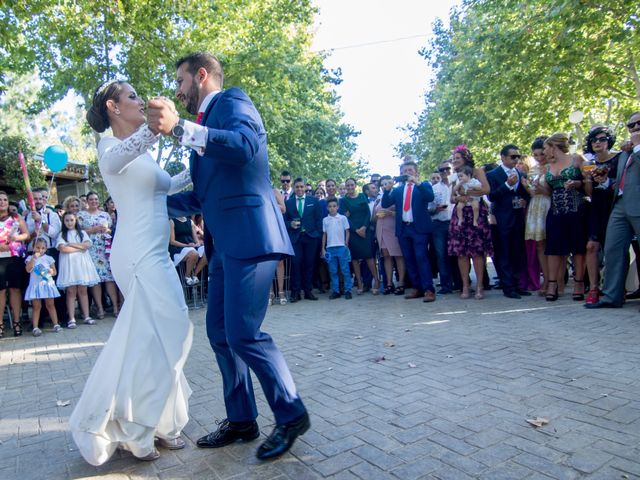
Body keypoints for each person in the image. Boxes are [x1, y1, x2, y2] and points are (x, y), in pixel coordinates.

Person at [150, 52, 309, 459]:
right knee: (219, 334)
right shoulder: (202, 129)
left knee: (244, 334)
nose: (177, 91)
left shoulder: (232, 101)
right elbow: (202, 196)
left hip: (251, 237)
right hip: (222, 246)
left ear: (201, 76)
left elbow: (243, 146)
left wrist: (181, 129)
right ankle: (242, 419)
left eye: (181, 82)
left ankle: (290, 415)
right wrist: (147, 202)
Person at [69, 80, 193, 465]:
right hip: (136, 255)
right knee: (172, 330)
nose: (141, 101)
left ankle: (157, 424)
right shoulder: (109, 149)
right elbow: (123, 153)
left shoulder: (145, 156)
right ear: (113, 106)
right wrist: (155, 128)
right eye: (133, 97)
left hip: (156, 253)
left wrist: (200, 166)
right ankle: (139, 429)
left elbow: (167, 186)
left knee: (157, 338)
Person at [586, 112, 640, 309]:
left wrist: (637, 147)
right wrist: (606, 182)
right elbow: (621, 178)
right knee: (612, 249)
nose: (634, 128)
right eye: (630, 125)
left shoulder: (634, 148)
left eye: (638, 124)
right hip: (619, 204)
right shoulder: (626, 151)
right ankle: (611, 296)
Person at [542, 133, 590, 301]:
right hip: (556, 210)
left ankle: (579, 283)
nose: (544, 152)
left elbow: (589, 182)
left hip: (576, 208)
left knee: (578, 247)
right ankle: (553, 284)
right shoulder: (548, 166)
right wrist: (539, 187)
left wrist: (577, 183)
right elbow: (548, 191)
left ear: (553, 147)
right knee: (553, 248)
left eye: (546, 148)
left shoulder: (576, 159)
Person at [381, 160, 437, 302]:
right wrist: (387, 189)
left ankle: (429, 289)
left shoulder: (423, 185)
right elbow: (385, 204)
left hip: (419, 229)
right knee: (409, 259)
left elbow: (430, 197)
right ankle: (416, 288)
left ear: (416, 172)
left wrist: (416, 182)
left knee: (421, 257)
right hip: (403, 229)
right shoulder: (398, 190)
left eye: (410, 170)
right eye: (404, 171)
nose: (407, 173)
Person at [487, 144, 531, 299]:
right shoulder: (493, 174)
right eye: (513, 156)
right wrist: (507, 185)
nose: (516, 159)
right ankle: (508, 286)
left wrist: (525, 199)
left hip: (518, 216)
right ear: (503, 157)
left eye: (518, 156)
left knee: (518, 251)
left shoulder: (520, 173)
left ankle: (518, 284)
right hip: (501, 218)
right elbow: (491, 196)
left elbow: (526, 193)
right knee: (504, 252)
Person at [448, 145, 492, 299]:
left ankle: (480, 286)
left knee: (478, 252)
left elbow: (486, 189)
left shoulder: (477, 171)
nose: (455, 161)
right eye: (453, 159)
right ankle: (465, 286)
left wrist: (469, 192)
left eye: (457, 158)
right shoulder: (455, 176)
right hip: (460, 215)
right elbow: (452, 198)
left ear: (466, 158)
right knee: (461, 253)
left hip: (476, 213)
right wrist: (459, 197)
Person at [583, 125, 620, 305]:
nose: (598, 142)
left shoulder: (620, 158)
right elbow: (590, 193)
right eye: (594, 140)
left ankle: (615, 288)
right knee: (591, 246)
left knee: (613, 249)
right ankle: (593, 288)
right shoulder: (589, 164)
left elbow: (622, 185)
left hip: (616, 208)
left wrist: (607, 181)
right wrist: (588, 179)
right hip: (596, 209)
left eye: (602, 139)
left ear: (609, 141)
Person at [77, 192, 120, 318]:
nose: (94, 201)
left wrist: (106, 230)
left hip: (105, 249)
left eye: (96, 199)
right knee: (96, 281)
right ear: (87, 201)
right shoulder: (81, 215)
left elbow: (112, 229)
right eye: (91, 199)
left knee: (109, 279)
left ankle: (115, 307)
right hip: (91, 250)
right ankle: (100, 308)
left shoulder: (105, 214)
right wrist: (92, 230)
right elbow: (78, 231)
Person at [56, 212, 100, 328]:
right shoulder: (62, 234)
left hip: (81, 265)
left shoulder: (82, 233)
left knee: (83, 291)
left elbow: (86, 246)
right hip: (69, 265)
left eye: (71, 220)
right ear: (63, 222)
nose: (69, 222)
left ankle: (86, 316)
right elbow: (63, 249)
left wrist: (71, 244)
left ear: (75, 220)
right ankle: (71, 318)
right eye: (67, 220)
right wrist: (79, 247)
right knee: (71, 292)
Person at [284, 177, 323, 302]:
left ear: (305, 187)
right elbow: (284, 221)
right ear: (294, 188)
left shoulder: (313, 201)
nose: (299, 189)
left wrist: (317, 233)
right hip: (296, 238)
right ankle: (295, 292)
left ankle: (307, 291)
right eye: (297, 187)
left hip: (311, 237)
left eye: (302, 186)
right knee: (296, 265)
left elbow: (319, 219)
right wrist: (290, 224)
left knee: (309, 264)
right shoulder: (288, 203)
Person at [340, 178, 380, 295]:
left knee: (369, 257)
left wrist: (364, 227)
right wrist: (356, 230)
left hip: (365, 230)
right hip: (353, 232)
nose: (350, 187)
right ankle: (360, 283)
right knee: (355, 259)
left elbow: (367, 213)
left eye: (352, 185)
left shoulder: (363, 196)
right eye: (348, 185)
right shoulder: (344, 200)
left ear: (355, 185)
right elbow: (346, 217)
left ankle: (376, 281)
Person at [523, 136, 551, 295]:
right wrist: (527, 187)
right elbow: (533, 192)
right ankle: (545, 279)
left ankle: (554, 280)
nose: (539, 158)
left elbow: (550, 191)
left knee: (551, 244)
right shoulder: (532, 170)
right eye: (536, 155)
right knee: (539, 244)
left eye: (542, 154)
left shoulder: (553, 167)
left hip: (549, 205)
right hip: (535, 206)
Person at [0, 191, 30, 338]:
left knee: (15, 290)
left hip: (14, 257)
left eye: (5, 199)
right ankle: (0, 324)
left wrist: (15, 237)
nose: (2, 202)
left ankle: (17, 322)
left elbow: (26, 234)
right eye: (0, 200)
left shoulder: (16, 218)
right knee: (0, 291)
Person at [373, 176, 406, 294]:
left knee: (398, 255)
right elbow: (374, 216)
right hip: (381, 229)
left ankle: (401, 283)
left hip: (393, 228)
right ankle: (388, 283)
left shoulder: (397, 194)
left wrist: (390, 213)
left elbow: (403, 212)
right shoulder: (379, 199)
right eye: (382, 184)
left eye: (386, 183)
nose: (384, 186)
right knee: (386, 256)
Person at [25, 237, 61, 336]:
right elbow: (28, 269)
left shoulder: (49, 258)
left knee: (50, 305)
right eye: (37, 247)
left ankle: (56, 324)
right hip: (35, 285)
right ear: (33, 248)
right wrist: (33, 259)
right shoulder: (29, 258)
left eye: (43, 248)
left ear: (46, 248)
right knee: (36, 306)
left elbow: (54, 272)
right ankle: (35, 327)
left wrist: (50, 271)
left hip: (47, 284)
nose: (40, 250)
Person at [321, 198, 353, 299]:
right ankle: (336, 290)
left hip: (341, 247)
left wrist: (346, 243)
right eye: (330, 206)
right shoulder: (325, 220)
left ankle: (348, 290)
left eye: (334, 206)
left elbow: (347, 231)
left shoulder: (342, 218)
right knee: (333, 271)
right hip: (330, 248)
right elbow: (324, 234)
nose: (332, 208)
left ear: (338, 207)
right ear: (327, 208)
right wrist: (323, 248)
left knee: (345, 270)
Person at [169, 216, 206, 285]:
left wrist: (197, 244)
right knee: (194, 254)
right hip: (179, 248)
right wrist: (186, 245)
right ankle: (187, 276)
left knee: (207, 251)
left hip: (191, 246)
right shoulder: (172, 221)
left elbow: (195, 239)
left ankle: (195, 274)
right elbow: (172, 241)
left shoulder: (190, 221)